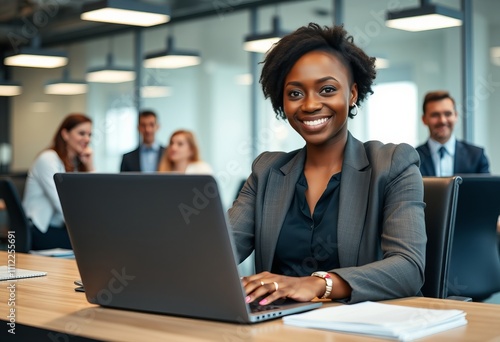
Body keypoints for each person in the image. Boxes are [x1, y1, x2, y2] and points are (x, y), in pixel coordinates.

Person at [228, 23, 426, 305]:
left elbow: (408, 268)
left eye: (327, 89)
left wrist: (319, 284)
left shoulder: (393, 165)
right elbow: (219, 252)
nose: (309, 105)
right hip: (277, 326)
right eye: (295, 93)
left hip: (361, 326)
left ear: (353, 94)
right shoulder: (267, 171)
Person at [23, 114, 94, 250]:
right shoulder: (48, 159)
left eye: (89, 135)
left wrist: (90, 166)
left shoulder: (75, 164)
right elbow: (62, 205)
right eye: (81, 133)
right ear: (65, 134)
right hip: (40, 230)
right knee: (92, 244)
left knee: (96, 241)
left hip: (60, 228)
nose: (87, 139)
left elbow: (92, 200)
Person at [415, 90, 490, 176]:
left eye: (448, 114)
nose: (442, 120)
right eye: (435, 115)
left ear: (456, 116)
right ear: (424, 119)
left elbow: (486, 189)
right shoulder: (413, 159)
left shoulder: (476, 156)